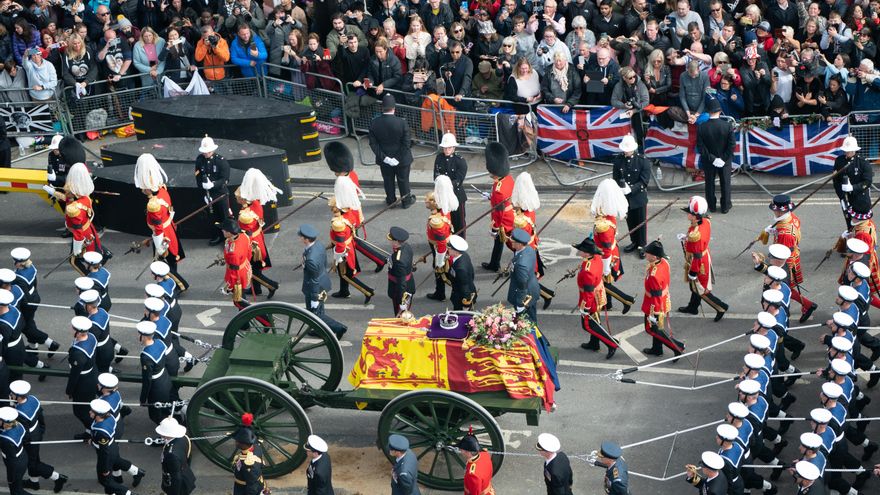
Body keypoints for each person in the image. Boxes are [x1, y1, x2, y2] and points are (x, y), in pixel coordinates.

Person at [760, 195, 818, 322]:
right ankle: (807, 304)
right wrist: (775, 231)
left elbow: (781, 253)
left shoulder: (785, 232)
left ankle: (804, 305)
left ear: (780, 211)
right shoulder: (792, 219)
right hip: (792, 255)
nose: (774, 211)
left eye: (775, 210)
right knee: (785, 286)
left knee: (780, 286)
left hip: (785, 261)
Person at [41, 162, 106, 276]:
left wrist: (77, 248)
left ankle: (90, 278)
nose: (66, 192)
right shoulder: (85, 198)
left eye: (68, 191)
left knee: (76, 261)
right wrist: (53, 192)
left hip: (82, 236)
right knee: (92, 254)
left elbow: (78, 232)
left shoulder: (73, 209)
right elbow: (67, 198)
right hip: (89, 230)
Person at [135, 153, 188, 291]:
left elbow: (158, 227)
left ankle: (179, 285)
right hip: (169, 228)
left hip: (163, 234)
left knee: (162, 262)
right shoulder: (162, 190)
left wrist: (159, 245)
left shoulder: (153, 204)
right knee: (170, 260)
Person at [9, 381, 68, 493]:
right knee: (34, 460)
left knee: (32, 463)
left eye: (12, 393)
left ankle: (58, 477)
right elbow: (40, 416)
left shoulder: (19, 413)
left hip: (29, 439)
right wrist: (41, 430)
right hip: (36, 432)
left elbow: (23, 432)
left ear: (18, 396)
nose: (10, 395)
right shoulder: (33, 399)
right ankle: (33, 482)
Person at [677, 195, 729, 321]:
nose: (687, 215)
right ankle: (693, 307)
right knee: (694, 287)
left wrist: (693, 272)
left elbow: (697, 255)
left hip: (698, 263)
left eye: (689, 213)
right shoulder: (704, 221)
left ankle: (720, 307)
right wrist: (687, 238)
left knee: (701, 289)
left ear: (694, 216)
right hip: (703, 257)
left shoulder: (696, 234)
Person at [236, 169, 281, 298]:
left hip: (253, 244)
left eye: (238, 198)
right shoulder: (253, 204)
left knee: (253, 270)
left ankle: (272, 285)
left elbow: (246, 232)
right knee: (254, 268)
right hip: (257, 239)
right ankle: (256, 288)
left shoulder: (246, 213)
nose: (237, 199)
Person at [591, 179, 634, 313]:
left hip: (606, 256)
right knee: (605, 283)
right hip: (608, 251)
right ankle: (607, 303)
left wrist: (605, 268)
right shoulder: (609, 214)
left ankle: (625, 299)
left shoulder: (603, 225)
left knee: (603, 281)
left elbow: (606, 250)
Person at [298, 224, 347, 339]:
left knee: (314, 314)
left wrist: (314, 298)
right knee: (319, 310)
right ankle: (319, 330)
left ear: (306, 239)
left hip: (314, 288)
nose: (300, 238)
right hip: (323, 281)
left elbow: (313, 279)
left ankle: (339, 328)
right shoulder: (318, 246)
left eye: (301, 237)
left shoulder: (310, 259)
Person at [10, 248, 58, 362]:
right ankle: (33, 347)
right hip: (35, 298)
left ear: (18, 263)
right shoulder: (31, 268)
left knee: (26, 327)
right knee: (30, 323)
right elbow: (34, 284)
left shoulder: (19, 277)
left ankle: (51, 343)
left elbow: (23, 296)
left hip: (27, 304)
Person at [573, 236, 618, 358]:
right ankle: (594, 343)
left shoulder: (588, 270)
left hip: (590, 299)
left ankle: (611, 344)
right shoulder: (596, 258)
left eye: (581, 250)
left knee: (588, 325)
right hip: (598, 294)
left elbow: (588, 291)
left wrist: (585, 307)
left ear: (587, 253)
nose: (579, 251)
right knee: (595, 320)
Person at [89, 399, 144, 495]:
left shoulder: (101, 431)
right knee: (117, 461)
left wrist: (105, 469)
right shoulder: (109, 417)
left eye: (92, 411)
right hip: (112, 446)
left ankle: (128, 493)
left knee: (105, 481)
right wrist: (93, 439)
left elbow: (103, 452)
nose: (90, 412)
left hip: (107, 451)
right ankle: (137, 472)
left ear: (98, 415)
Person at [369, 94, 414, 209]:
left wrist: (385, 158)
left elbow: (373, 144)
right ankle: (406, 201)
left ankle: (391, 201)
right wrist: (397, 158)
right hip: (402, 159)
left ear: (382, 108)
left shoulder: (374, 123)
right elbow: (406, 143)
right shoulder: (402, 122)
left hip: (384, 160)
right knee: (403, 180)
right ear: (394, 108)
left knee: (388, 181)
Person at [641, 240, 685, 357]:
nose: (645, 254)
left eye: (647, 253)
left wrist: (653, 313)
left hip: (654, 304)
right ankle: (657, 349)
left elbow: (655, 296)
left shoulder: (654, 275)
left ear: (654, 256)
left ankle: (677, 346)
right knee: (656, 329)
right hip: (663, 299)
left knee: (651, 329)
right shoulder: (664, 262)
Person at [328, 197, 374, 305]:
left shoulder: (338, 223)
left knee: (346, 275)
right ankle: (344, 291)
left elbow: (340, 243)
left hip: (343, 252)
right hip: (349, 246)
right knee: (342, 273)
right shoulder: (349, 215)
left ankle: (368, 292)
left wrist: (337, 257)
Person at [613, 134, 650, 258]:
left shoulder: (642, 161)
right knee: (631, 221)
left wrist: (631, 189)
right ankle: (634, 241)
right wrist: (620, 188)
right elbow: (616, 177)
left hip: (638, 197)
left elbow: (644, 181)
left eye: (628, 149)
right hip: (625, 198)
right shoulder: (618, 160)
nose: (626, 152)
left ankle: (642, 245)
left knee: (641, 222)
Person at [697, 98, 735, 214]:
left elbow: (701, 147)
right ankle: (725, 206)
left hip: (709, 161)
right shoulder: (727, 126)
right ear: (720, 111)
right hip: (725, 160)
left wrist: (713, 159)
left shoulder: (702, 127)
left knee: (709, 183)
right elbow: (732, 145)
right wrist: (722, 159)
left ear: (708, 112)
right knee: (725, 183)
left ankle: (711, 206)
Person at [482, 142, 514, 272]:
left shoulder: (499, 189)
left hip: (503, 221)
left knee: (511, 243)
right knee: (499, 243)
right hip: (509, 215)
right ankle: (494, 263)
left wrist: (495, 228)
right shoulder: (507, 179)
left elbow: (499, 212)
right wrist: (491, 196)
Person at [424, 177, 458, 302]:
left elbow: (441, 243)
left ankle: (441, 293)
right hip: (440, 243)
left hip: (439, 247)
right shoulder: (444, 207)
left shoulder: (436, 220)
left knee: (441, 270)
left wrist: (439, 260)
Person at [194, 136, 232, 247]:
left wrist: (213, 184)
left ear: (213, 150)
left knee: (224, 216)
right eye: (204, 152)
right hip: (208, 194)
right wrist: (203, 188)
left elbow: (225, 179)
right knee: (213, 217)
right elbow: (198, 177)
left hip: (220, 194)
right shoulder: (199, 160)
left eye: (208, 151)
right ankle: (217, 236)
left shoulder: (221, 161)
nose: (206, 154)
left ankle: (228, 238)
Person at [67, 316, 98, 438]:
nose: (71, 329)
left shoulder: (78, 354)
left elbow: (74, 375)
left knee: (80, 411)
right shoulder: (91, 337)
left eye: (73, 328)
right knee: (87, 408)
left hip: (83, 383)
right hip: (92, 373)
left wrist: (69, 390)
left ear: (78, 332)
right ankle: (90, 431)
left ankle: (93, 430)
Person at [833, 136, 872, 229]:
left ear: (854, 149)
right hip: (845, 198)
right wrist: (841, 196)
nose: (847, 152)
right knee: (849, 224)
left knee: (862, 226)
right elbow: (836, 180)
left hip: (860, 199)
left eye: (849, 150)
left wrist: (853, 188)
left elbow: (867, 182)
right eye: (845, 150)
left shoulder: (863, 162)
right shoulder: (839, 161)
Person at [137, 320, 171, 425]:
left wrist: (143, 398)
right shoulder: (159, 343)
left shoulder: (146, 356)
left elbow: (147, 379)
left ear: (143, 336)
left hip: (156, 388)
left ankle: (166, 434)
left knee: (155, 416)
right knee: (165, 411)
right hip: (165, 380)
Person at [433, 133, 468, 235]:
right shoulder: (439, 158)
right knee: (443, 221)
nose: (447, 150)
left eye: (449, 148)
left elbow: (459, 180)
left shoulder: (460, 161)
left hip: (456, 195)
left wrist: (446, 184)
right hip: (442, 196)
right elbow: (436, 176)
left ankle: (460, 243)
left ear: (454, 148)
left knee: (459, 223)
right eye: (445, 148)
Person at [507, 228, 541, 323]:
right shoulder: (529, 249)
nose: (511, 243)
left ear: (520, 244)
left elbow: (522, 285)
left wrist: (520, 304)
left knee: (527, 323)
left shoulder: (521, 264)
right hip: (532, 289)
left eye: (513, 242)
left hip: (525, 296)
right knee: (531, 318)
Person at [156, 417, 196, 495]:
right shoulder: (184, 437)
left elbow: (176, 478)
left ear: (166, 434)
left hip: (177, 485)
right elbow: (188, 457)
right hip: (185, 474)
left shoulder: (171, 455)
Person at [220, 219, 254, 311]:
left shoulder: (234, 252)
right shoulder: (243, 236)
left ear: (230, 233)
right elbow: (249, 253)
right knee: (241, 299)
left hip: (238, 275)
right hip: (244, 268)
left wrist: (229, 287)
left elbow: (234, 273)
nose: (222, 230)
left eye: (224, 230)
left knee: (239, 301)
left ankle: (244, 322)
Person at [232, 415, 264, 495]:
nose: (235, 442)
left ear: (243, 444)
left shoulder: (249, 463)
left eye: (237, 441)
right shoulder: (256, 446)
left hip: (244, 489)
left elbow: (252, 486)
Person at [388, 227, 415, 316]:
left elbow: (401, 284)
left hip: (400, 292)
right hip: (409, 284)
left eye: (391, 240)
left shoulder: (398, 260)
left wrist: (401, 302)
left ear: (396, 242)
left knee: (401, 316)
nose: (390, 242)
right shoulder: (406, 247)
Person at [0, 406, 27, 495]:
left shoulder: (5, 440)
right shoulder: (18, 425)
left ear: (5, 422)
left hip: (15, 466)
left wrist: (12, 477)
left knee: (16, 491)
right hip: (22, 457)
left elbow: (12, 461)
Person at [447, 235, 476, 310]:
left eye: (449, 249)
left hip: (461, 298)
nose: (448, 250)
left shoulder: (460, 269)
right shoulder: (464, 255)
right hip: (465, 289)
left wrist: (465, 306)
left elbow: (464, 287)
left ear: (455, 251)